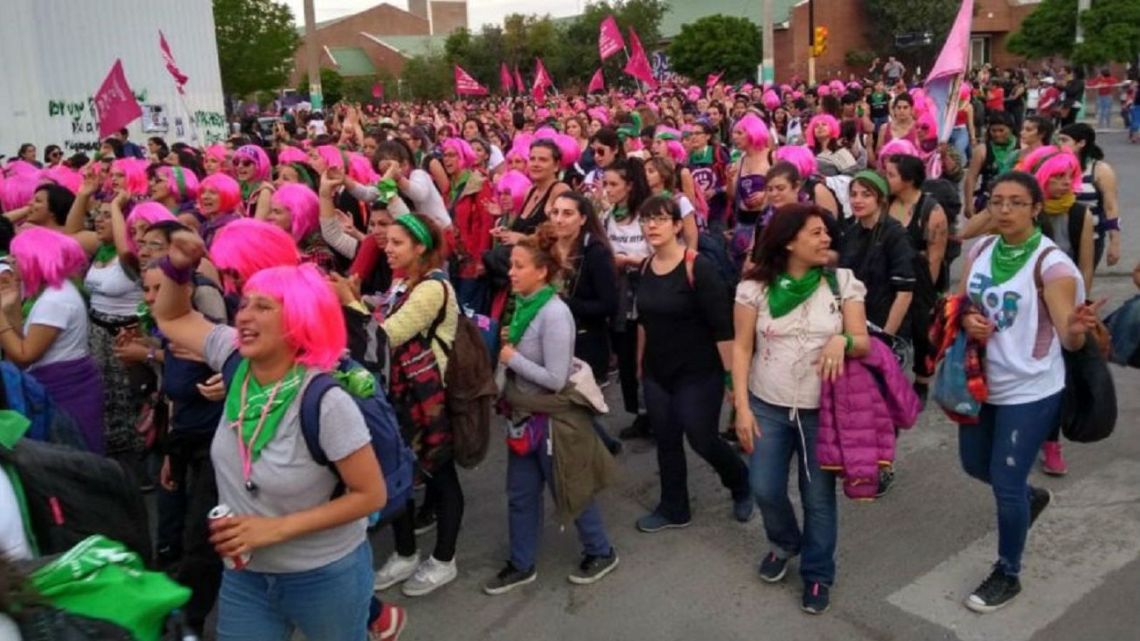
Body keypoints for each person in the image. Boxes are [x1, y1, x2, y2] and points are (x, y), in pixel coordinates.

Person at [150, 235, 396, 640]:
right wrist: (178, 268)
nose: (244, 315)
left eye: (263, 307)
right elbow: (173, 318)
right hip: (246, 577)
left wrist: (273, 529)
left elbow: (370, 496)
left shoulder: (326, 402)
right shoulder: (233, 358)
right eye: (244, 303)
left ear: (298, 321)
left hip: (325, 576)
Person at [956, 171, 1100, 613]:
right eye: (996, 201)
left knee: (1006, 481)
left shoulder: (1051, 265)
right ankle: (1029, 496)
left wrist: (1076, 332)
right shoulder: (979, 249)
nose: (1003, 210)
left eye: (1016, 202)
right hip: (981, 381)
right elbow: (963, 302)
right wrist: (967, 319)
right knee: (974, 463)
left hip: (1031, 387)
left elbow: (1069, 338)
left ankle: (1008, 572)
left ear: (1035, 208)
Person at [733, 203, 870, 615]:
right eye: (815, 232)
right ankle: (784, 542)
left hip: (821, 411)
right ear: (789, 240)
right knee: (765, 487)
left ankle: (817, 573)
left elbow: (862, 340)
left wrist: (841, 341)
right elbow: (741, 348)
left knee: (818, 499)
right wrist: (741, 406)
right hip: (767, 405)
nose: (826, 238)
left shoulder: (842, 282)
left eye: (826, 232)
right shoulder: (753, 288)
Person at [483, 224, 619, 595]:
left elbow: (556, 379)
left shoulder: (555, 314)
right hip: (522, 418)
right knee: (521, 494)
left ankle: (601, 551)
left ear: (541, 271)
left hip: (551, 420)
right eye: (511, 265)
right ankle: (521, 563)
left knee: (569, 488)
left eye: (519, 266)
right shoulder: (525, 306)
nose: (510, 272)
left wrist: (511, 358)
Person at [634, 195, 752, 532]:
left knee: (702, 439)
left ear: (676, 226)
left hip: (698, 373)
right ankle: (674, 507)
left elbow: (722, 328)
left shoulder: (697, 267)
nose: (652, 225)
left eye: (660, 219)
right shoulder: (644, 267)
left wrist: (733, 383)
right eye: (647, 219)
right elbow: (644, 320)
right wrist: (641, 363)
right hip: (658, 372)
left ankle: (741, 482)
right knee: (667, 440)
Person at [371, 213, 465, 598]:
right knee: (399, 476)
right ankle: (406, 552)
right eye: (387, 240)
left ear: (420, 247)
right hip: (402, 398)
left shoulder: (431, 288)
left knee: (441, 478)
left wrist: (349, 305)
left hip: (430, 401)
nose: (387, 248)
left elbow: (386, 335)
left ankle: (444, 559)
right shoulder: (403, 281)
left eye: (396, 243)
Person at [0, 228, 104, 453]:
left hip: (64, 393)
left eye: (16, 258)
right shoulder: (54, 293)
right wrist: (11, 307)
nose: (10, 263)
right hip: (64, 388)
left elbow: (24, 355)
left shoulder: (55, 301)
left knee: (72, 464)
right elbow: (21, 348)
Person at [885, 152, 948, 404]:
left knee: (922, 332)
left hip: (920, 280)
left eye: (890, 175)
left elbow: (935, 257)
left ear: (908, 179)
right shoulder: (886, 203)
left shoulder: (931, 211)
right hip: (890, 276)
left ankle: (921, 381)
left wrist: (926, 294)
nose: (885, 179)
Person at [600, 158, 652, 440]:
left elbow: (662, 255)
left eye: (613, 184)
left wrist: (630, 260)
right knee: (627, 357)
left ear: (629, 186)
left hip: (645, 294)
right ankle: (640, 413)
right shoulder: (608, 216)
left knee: (647, 356)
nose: (607, 189)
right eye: (605, 183)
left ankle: (656, 412)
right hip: (619, 298)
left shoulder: (646, 216)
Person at [1057, 124, 1121, 267]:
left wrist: (1114, 243)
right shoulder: (1055, 167)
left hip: (1091, 239)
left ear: (1081, 143)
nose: (1060, 145)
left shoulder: (1100, 170)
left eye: (1064, 140)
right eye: (1058, 140)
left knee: (1082, 285)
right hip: (1058, 238)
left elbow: (1110, 208)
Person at [725, 113, 773, 268]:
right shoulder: (739, 161)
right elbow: (732, 196)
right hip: (743, 225)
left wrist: (766, 194)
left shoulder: (772, 157)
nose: (735, 137)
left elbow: (787, 188)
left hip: (766, 226)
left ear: (753, 132)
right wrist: (728, 179)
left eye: (740, 133)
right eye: (734, 133)